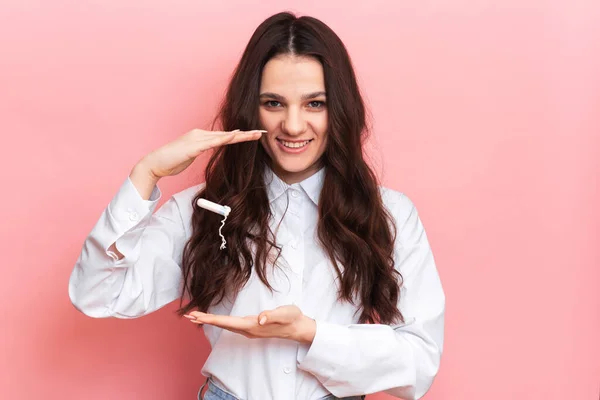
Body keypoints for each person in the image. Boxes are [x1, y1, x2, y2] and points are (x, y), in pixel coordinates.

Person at [68, 11, 445, 400]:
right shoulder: (205, 209)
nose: (294, 126)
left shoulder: (390, 214)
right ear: (251, 107)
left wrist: (310, 334)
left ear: (340, 111)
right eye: (274, 103)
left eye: (314, 103)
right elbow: (96, 293)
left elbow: (419, 363)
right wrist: (145, 174)